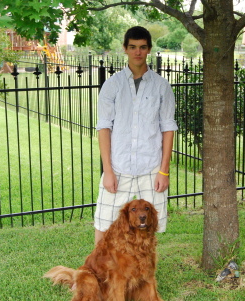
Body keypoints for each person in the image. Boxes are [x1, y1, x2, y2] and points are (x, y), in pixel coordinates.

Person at [94, 26, 178, 245]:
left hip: (151, 168)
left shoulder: (162, 87)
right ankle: (97, 274)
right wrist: (108, 171)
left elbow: (168, 128)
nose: (137, 52)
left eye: (142, 47)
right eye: (132, 47)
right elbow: (104, 128)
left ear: (149, 49)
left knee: (149, 227)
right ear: (125, 49)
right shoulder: (112, 86)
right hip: (118, 167)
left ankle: (143, 275)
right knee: (104, 224)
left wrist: (164, 171)